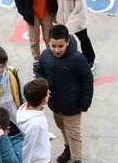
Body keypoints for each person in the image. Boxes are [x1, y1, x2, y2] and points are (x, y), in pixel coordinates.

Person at [37, 25, 93, 163]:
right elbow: (40, 72)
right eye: (53, 46)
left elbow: (87, 80)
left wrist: (85, 103)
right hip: (55, 105)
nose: (57, 50)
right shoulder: (45, 56)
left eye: (60, 46)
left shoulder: (77, 59)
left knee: (74, 135)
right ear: (49, 42)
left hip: (73, 106)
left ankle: (76, 159)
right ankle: (68, 148)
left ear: (67, 42)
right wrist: (43, 86)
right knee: (62, 128)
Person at [54, 0, 95, 69]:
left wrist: (67, 29)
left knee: (83, 39)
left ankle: (90, 59)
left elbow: (77, 14)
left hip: (77, 23)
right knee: (64, 42)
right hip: (61, 20)